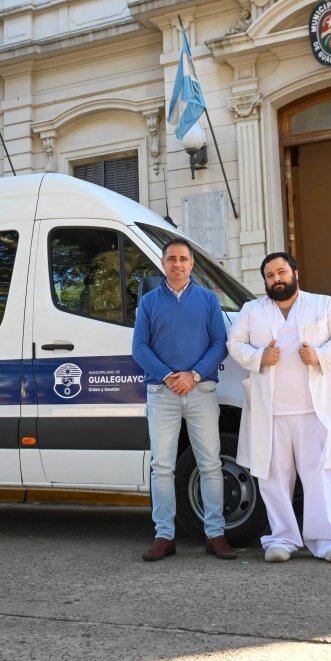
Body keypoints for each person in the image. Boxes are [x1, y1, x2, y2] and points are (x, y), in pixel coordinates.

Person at [226, 251, 331, 563]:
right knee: (273, 478)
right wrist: (259, 358)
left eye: (281, 272)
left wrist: (320, 356)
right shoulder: (252, 310)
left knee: (319, 475)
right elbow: (234, 344)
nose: (276, 279)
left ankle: (328, 540)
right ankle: (281, 540)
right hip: (270, 412)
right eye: (270, 276)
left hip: (313, 409)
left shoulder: (322, 305)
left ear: (295, 272)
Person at [132, 237, 234, 562]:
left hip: (201, 391)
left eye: (183, 259)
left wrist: (194, 376)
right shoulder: (148, 302)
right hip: (162, 393)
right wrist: (167, 376)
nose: (177, 264)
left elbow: (220, 342)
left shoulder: (208, 300)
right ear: (163, 264)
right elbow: (140, 348)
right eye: (172, 259)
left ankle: (215, 534)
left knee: (211, 465)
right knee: (162, 466)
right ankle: (165, 537)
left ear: (191, 264)